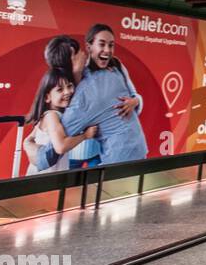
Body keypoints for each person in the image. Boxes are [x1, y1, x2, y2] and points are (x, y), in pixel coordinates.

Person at [40, 24, 147, 168]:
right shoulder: (80, 93)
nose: (82, 54)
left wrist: (136, 100)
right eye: (77, 54)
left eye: (111, 45)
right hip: (81, 151)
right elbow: (57, 146)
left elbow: (52, 151)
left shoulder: (112, 68)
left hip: (103, 152)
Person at [22, 69, 98, 174]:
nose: (67, 92)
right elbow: (61, 147)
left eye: (69, 86)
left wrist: (28, 145)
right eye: (60, 90)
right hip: (46, 176)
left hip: (54, 172)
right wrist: (85, 135)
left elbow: (29, 139)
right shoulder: (51, 116)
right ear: (47, 97)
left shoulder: (52, 115)